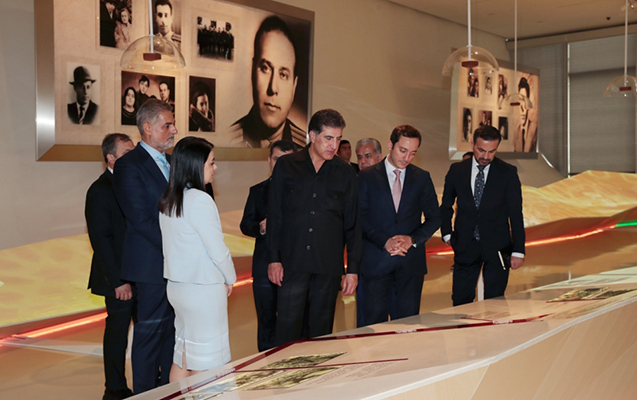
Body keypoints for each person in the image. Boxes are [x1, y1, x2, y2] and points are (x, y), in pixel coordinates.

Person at [267, 109, 361, 345]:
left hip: (327, 267)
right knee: (287, 330)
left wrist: (352, 270)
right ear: (312, 135)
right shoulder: (287, 166)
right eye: (328, 138)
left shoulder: (346, 173)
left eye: (338, 139)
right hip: (292, 263)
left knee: (321, 334)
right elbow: (275, 215)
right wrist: (274, 259)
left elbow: (353, 224)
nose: (334, 146)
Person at [158, 137, 236, 382]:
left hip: (177, 288)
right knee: (208, 362)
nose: (215, 168)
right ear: (195, 165)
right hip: (203, 290)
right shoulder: (200, 200)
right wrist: (230, 278)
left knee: (182, 355)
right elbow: (217, 249)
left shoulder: (169, 199)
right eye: (211, 163)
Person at [112, 99, 177, 394]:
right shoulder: (129, 165)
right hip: (151, 264)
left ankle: (168, 389)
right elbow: (141, 219)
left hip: (176, 263)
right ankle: (145, 393)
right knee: (150, 334)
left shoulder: (173, 162)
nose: (174, 130)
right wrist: (178, 246)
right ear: (147, 128)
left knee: (172, 332)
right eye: (168, 125)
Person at [358, 125, 441, 326]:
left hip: (410, 267)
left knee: (407, 328)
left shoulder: (421, 177)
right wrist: (384, 241)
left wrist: (412, 239)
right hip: (377, 263)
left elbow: (435, 218)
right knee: (373, 328)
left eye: (413, 153)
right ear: (390, 145)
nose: (407, 158)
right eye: (403, 150)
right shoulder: (367, 176)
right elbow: (359, 218)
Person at [440, 125, 525, 307]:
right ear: (472, 144)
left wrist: (518, 250)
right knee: (461, 302)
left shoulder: (508, 173)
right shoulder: (457, 170)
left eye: (491, 151)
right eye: (481, 150)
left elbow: (516, 214)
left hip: (498, 247)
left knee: (495, 303)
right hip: (465, 245)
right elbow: (446, 205)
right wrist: (447, 234)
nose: (486, 156)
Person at [85, 133, 135, 400]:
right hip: (118, 278)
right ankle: (115, 388)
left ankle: (150, 380)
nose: (134, 156)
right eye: (127, 153)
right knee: (117, 333)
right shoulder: (100, 190)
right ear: (111, 158)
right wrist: (118, 281)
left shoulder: (135, 183)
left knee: (149, 329)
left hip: (141, 273)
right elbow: (101, 241)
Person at [240, 140, 297, 352]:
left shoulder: (304, 192)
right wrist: (261, 228)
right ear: (269, 161)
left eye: (286, 160)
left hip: (295, 267)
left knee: (293, 323)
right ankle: (265, 363)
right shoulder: (258, 191)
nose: (280, 165)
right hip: (264, 267)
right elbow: (246, 224)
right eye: (276, 159)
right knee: (266, 323)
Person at [229, 16, 306, 148]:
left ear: (294, 87)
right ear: (252, 71)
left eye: (283, 75)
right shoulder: (227, 140)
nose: (273, 88)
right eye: (265, 68)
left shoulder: (305, 148)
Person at [353, 137, 383, 327]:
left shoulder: (391, 183)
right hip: (365, 258)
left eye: (368, 156)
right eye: (359, 157)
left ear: (379, 157)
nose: (363, 161)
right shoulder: (354, 183)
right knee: (366, 319)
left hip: (390, 257)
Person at [513, 77, 537, 152]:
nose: (522, 108)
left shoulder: (535, 130)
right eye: (520, 100)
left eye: (525, 100)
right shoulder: (516, 133)